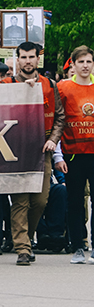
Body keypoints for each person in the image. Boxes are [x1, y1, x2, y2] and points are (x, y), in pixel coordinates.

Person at [10, 41, 63, 265]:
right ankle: (22, 247)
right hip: (16, 152)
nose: (28, 61)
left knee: (40, 200)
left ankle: (26, 237)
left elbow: (60, 116)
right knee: (21, 200)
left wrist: (53, 140)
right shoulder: (9, 84)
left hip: (43, 151)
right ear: (18, 60)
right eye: (23, 57)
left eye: (32, 57)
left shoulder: (50, 84)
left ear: (37, 59)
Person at [59, 45, 94, 265]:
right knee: (74, 202)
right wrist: (57, 156)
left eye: (89, 61)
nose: (85, 65)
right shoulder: (63, 88)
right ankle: (77, 247)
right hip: (72, 154)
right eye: (80, 62)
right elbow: (57, 119)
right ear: (73, 64)